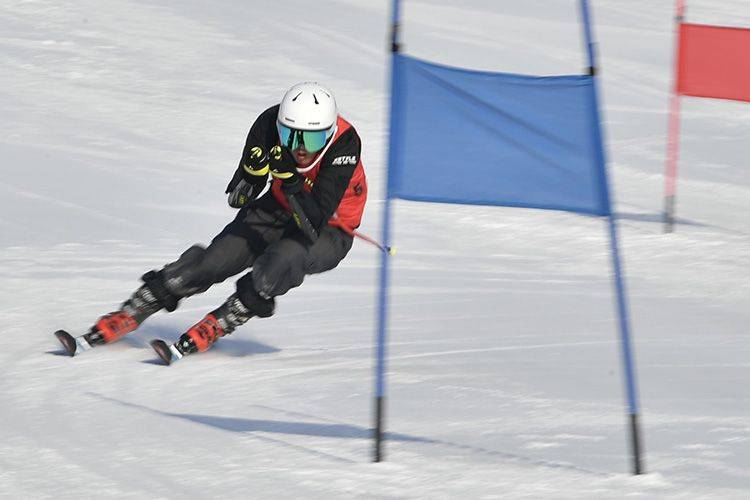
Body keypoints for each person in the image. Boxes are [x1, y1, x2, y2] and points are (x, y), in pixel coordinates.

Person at [55, 82, 367, 364]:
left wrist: (288, 178)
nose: (300, 149)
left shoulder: (345, 144)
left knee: (282, 260)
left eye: (311, 139)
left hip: (330, 230)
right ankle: (139, 305)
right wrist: (252, 173)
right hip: (278, 207)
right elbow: (239, 199)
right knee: (214, 260)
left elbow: (311, 224)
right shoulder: (268, 124)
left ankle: (228, 317)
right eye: (290, 136)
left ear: (327, 134)